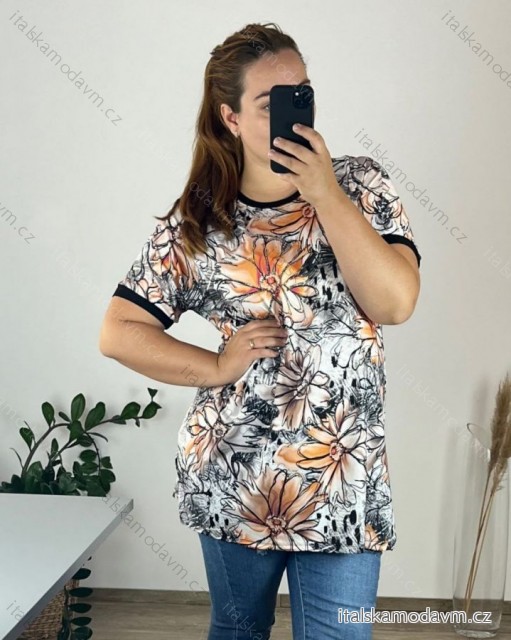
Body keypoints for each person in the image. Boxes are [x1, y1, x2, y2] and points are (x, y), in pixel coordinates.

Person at [99, 21, 422, 640]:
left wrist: (324, 193)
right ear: (231, 118)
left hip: (342, 482)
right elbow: (119, 330)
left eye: (303, 94)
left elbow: (396, 302)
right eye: (273, 103)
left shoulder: (361, 184)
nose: (296, 113)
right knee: (240, 631)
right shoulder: (199, 221)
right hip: (235, 475)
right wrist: (216, 365)